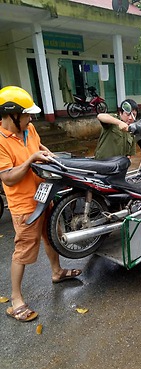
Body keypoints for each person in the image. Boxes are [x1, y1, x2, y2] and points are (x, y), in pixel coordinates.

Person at [0, 86, 82, 322]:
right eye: (26, 115)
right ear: (11, 115)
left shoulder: (30, 129)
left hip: (43, 195)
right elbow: (7, 177)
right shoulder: (2, 141)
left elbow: (38, 147)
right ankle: (16, 299)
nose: (30, 119)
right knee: (24, 249)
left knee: (52, 235)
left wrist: (48, 154)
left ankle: (57, 272)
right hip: (24, 205)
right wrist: (31, 160)